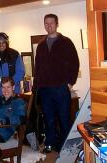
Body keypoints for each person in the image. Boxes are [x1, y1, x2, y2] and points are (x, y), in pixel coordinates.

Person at [33, 14, 80, 153]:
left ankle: (64, 146)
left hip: (61, 88)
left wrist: (70, 82)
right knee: (49, 119)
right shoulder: (41, 45)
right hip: (45, 89)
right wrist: (37, 86)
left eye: (51, 23)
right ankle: (50, 144)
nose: (49, 26)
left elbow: (74, 63)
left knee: (64, 118)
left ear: (57, 24)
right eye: (46, 23)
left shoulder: (66, 42)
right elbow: (38, 67)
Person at [0, 32, 25, 97]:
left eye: (3, 42)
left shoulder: (14, 55)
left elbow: (21, 72)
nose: (1, 45)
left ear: (6, 43)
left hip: (13, 92)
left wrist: (9, 84)